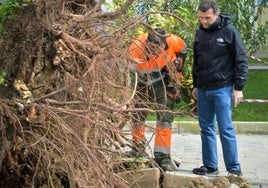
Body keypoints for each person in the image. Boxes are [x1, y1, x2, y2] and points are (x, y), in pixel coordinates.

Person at [191, 0, 248, 176]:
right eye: (201, 18)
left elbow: (241, 60)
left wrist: (238, 87)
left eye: (207, 18)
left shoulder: (230, 32)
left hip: (222, 89)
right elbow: (197, 60)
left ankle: (233, 168)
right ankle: (210, 166)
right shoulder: (200, 32)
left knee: (225, 128)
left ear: (217, 14)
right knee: (206, 128)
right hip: (203, 89)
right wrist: (195, 85)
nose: (204, 22)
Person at [128, 28, 187, 171]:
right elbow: (128, 77)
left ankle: (163, 157)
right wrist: (128, 97)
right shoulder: (135, 49)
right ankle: (138, 149)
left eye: (158, 50)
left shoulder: (173, 41)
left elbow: (183, 50)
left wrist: (176, 75)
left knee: (165, 119)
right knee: (137, 116)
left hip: (162, 81)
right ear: (146, 44)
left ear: (164, 43)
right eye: (151, 51)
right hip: (141, 83)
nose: (155, 54)